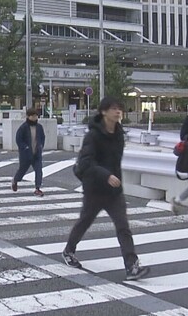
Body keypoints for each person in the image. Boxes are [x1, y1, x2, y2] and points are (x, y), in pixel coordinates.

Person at [62, 96, 150, 281]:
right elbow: (86, 162)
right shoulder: (93, 135)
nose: (118, 111)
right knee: (85, 221)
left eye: (119, 108)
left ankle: (131, 267)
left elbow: (116, 163)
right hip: (95, 189)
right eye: (113, 108)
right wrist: (106, 176)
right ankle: (69, 251)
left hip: (114, 191)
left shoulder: (119, 133)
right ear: (103, 112)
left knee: (123, 226)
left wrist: (115, 179)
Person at [12, 108, 45, 195]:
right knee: (22, 170)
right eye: (33, 116)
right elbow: (18, 139)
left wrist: (41, 146)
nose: (35, 118)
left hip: (37, 153)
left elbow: (42, 138)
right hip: (26, 154)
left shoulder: (39, 127)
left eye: (36, 116)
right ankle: (15, 180)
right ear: (28, 116)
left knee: (39, 171)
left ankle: (37, 188)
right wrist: (25, 147)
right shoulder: (23, 127)